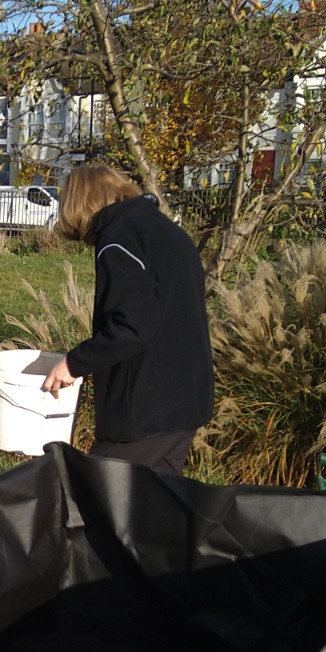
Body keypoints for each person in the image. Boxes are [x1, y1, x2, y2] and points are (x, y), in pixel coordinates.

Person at [40, 163, 214, 475]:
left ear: (80, 205)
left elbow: (132, 326)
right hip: (188, 401)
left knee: (95, 495)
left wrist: (74, 363)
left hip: (146, 411)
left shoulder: (119, 237)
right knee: (153, 507)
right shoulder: (164, 229)